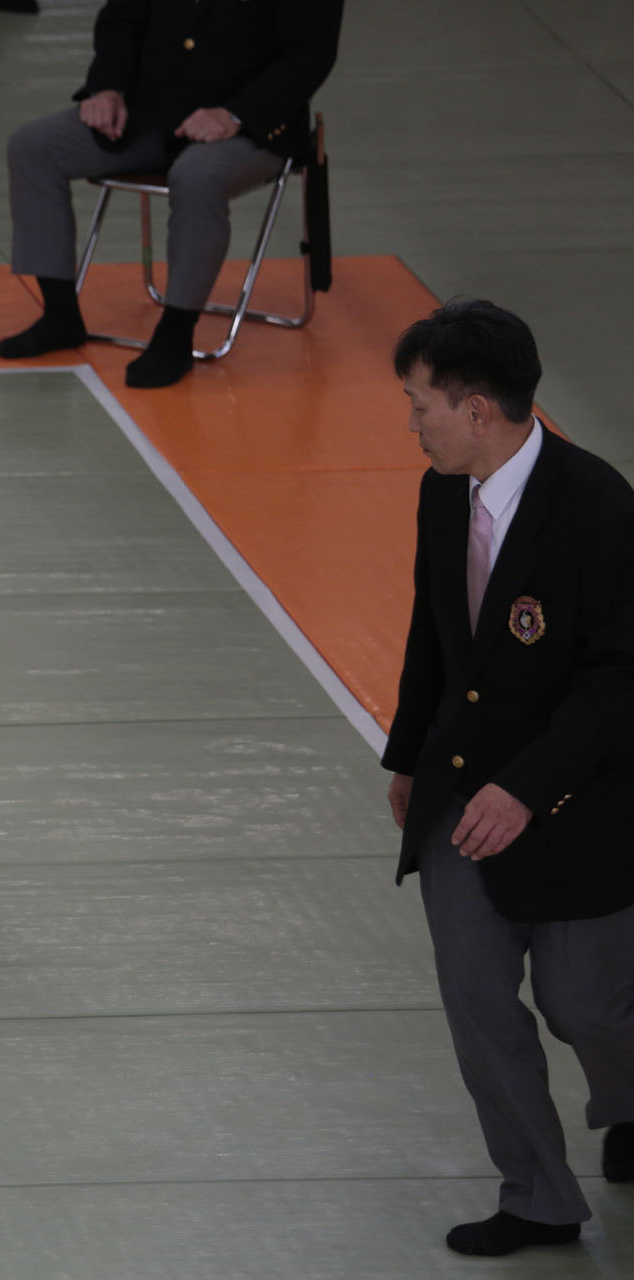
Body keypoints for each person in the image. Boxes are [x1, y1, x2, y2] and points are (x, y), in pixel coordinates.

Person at [381, 299, 634, 1257]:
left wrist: (525, 788)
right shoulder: (441, 493)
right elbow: (434, 633)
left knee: (585, 1006)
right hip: (459, 796)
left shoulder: (601, 509)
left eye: (421, 405)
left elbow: (619, 682)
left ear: (477, 409)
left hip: (581, 806)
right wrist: (410, 756)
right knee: (479, 1000)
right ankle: (537, 1195)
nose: (413, 424)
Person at [0, 0, 343, 388]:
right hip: (152, 114)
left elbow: (309, 54)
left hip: (253, 126)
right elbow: (122, 17)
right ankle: (60, 316)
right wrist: (108, 87)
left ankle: (176, 335)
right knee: (34, 147)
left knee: (197, 177)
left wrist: (234, 115)